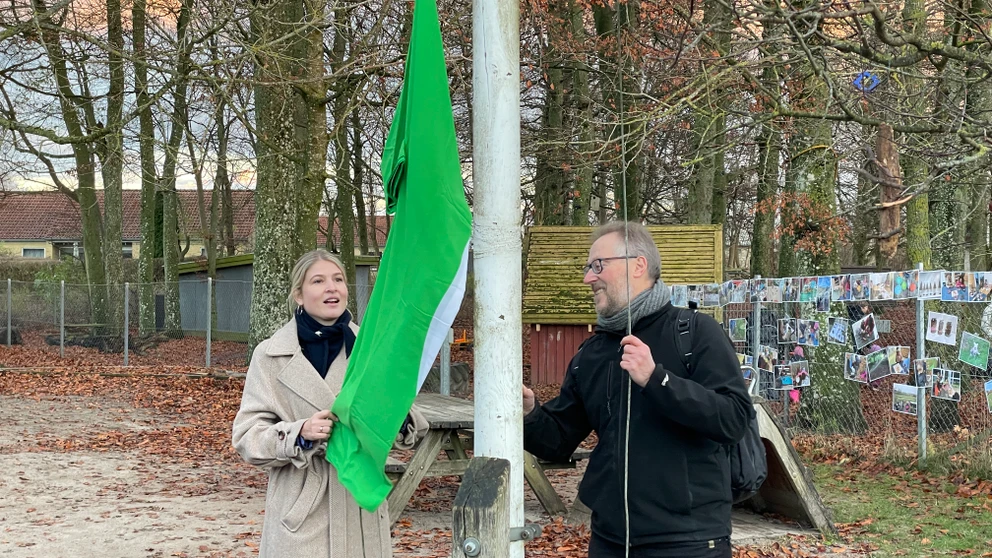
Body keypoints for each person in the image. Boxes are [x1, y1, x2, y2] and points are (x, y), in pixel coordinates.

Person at [521, 222, 751, 558]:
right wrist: (530, 412)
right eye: (588, 268)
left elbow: (734, 419)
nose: (588, 278)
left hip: (689, 543)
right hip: (610, 541)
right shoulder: (593, 352)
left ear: (638, 264)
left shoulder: (695, 332)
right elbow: (558, 440)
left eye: (598, 265)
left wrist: (657, 380)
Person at [232, 250, 426, 557]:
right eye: (318, 281)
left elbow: (406, 423)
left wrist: (394, 418)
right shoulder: (270, 356)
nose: (331, 288)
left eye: (338, 279)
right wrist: (300, 433)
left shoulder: (371, 349)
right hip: (301, 509)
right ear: (299, 294)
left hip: (359, 506)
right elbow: (247, 437)